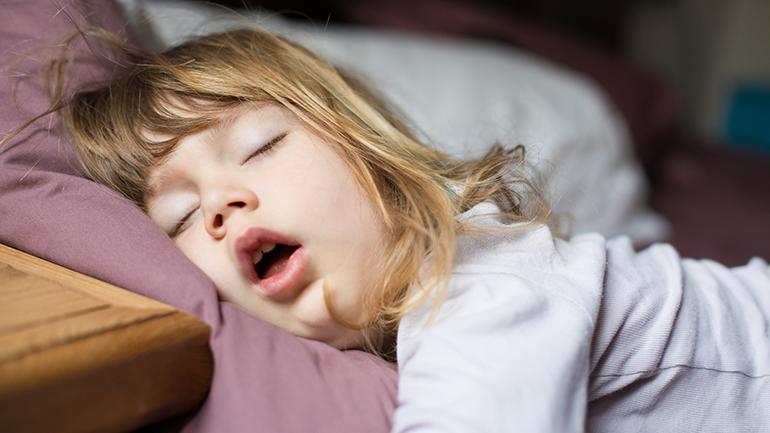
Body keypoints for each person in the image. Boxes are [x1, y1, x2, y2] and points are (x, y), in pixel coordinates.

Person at [18, 24, 770, 432]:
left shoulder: (482, 284)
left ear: (373, 161)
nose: (220, 205)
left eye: (261, 147)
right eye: (181, 218)